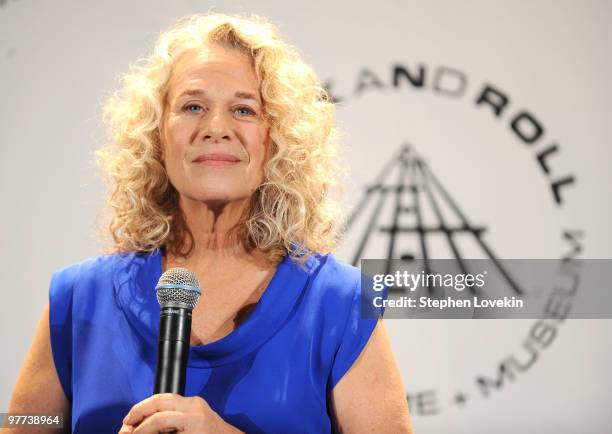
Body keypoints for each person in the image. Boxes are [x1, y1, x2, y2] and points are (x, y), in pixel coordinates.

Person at [7, 13, 413, 434]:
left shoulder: (339, 304)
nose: (216, 128)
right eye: (192, 106)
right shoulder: (76, 299)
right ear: (157, 134)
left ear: (274, 139)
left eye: (243, 109)